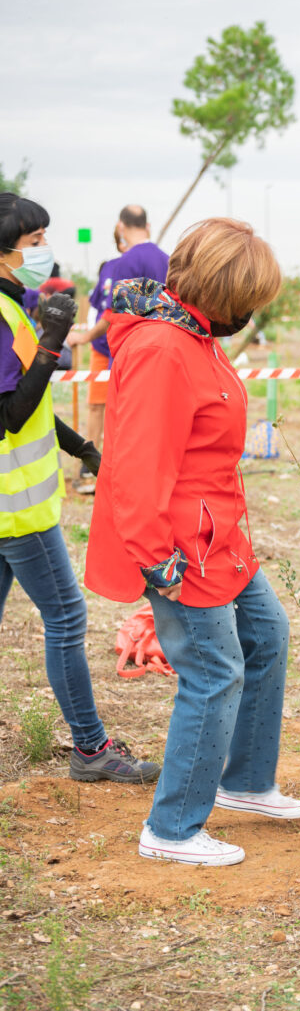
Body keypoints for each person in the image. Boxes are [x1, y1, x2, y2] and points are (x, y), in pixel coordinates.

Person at [84, 217, 300, 867]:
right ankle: (173, 828)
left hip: (221, 537)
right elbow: (135, 467)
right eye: (247, 301)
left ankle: (246, 781)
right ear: (221, 291)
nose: (249, 314)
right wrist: (158, 560)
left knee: (267, 635)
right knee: (213, 673)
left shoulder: (197, 334)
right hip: (183, 549)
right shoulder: (163, 347)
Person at [0, 192, 160, 785]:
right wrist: (50, 344)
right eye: (34, 241)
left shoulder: (11, 307)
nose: (45, 248)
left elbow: (32, 405)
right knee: (66, 617)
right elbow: (9, 415)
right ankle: (91, 749)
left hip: (12, 503)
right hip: (18, 509)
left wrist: (83, 449)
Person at [67, 205, 169, 479]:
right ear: (147, 226)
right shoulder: (166, 259)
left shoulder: (126, 262)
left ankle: (120, 474)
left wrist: (89, 338)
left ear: (121, 227)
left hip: (131, 354)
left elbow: (118, 315)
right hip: (163, 352)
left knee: (124, 421)